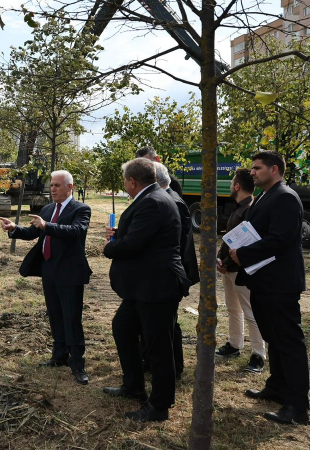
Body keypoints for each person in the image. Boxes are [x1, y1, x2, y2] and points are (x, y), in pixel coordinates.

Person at [102, 158, 189, 422]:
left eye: (124, 181)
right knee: (123, 327)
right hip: (143, 286)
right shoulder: (152, 197)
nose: (124, 185)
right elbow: (141, 236)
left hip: (157, 286)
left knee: (158, 347)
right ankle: (133, 386)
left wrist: (110, 246)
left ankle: (159, 406)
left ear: (132, 181)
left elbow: (133, 243)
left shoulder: (153, 201)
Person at [230, 151, 310, 425]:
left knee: (289, 343)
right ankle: (277, 387)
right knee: (273, 338)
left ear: (274, 169)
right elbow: (254, 234)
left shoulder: (285, 197)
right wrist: (231, 260)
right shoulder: (266, 196)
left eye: (257, 168)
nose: (252, 172)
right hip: (264, 280)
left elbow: (279, 239)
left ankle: (298, 407)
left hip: (280, 283)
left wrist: (243, 255)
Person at [0, 170, 92, 385]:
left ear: (70, 187)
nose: (53, 189)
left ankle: (78, 364)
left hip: (70, 272)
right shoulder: (48, 209)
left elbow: (75, 231)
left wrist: (47, 226)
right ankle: (59, 356)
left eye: (57, 185)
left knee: (71, 318)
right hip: (49, 269)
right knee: (55, 315)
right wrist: (14, 229)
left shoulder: (81, 209)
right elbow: (33, 233)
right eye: (52, 185)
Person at [215, 169, 266, 373]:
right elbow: (229, 239)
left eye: (231, 182)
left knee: (251, 312)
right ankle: (235, 345)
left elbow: (245, 243)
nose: (230, 186)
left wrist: (226, 262)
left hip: (242, 270)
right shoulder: (237, 208)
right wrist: (220, 258)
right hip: (230, 268)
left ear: (237, 186)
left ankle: (258, 355)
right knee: (233, 309)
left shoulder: (250, 210)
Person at [152, 162, 194, 379]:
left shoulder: (173, 201)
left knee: (169, 324)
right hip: (165, 272)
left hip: (169, 274)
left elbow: (177, 243)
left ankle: (174, 368)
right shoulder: (167, 198)